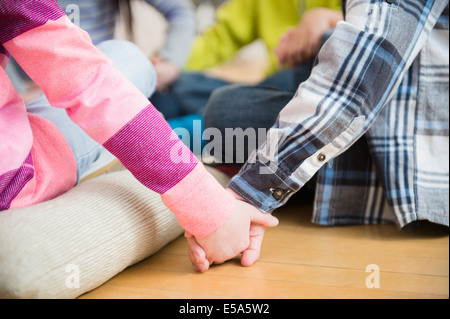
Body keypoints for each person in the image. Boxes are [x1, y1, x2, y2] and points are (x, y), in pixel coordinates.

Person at [0, 0, 278, 297]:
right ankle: (167, 134)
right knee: (145, 71)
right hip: (18, 167)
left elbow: (182, 15)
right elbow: (90, 85)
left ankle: (162, 131)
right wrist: (211, 211)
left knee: (178, 90)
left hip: (62, 88)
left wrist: (171, 63)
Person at [189, 0, 450, 271]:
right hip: (307, 74)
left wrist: (249, 193)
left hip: (407, 134)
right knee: (212, 98)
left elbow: (351, 86)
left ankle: (179, 122)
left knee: (225, 111)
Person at [150, 0, 342, 151]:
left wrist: (327, 19)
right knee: (177, 86)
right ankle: (171, 128)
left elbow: (368, 32)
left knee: (222, 108)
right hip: (271, 87)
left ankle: (168, 136)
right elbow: (217, 40)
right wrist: (168, 63)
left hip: (314, 88)